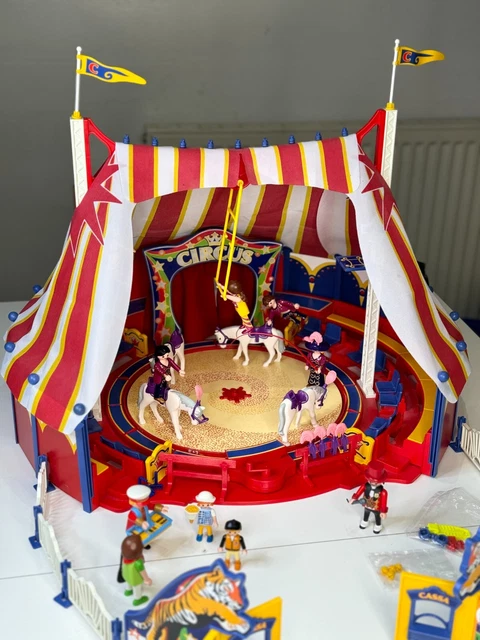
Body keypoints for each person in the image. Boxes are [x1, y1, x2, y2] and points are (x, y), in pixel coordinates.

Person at [348, 464, 388, 534]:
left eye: (376, 481)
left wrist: (383, 511)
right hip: (366, 504)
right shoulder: (365, 486)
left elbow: (384, 503)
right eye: (371, 480)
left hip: (376, 508)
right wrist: (354, 498)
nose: (373, 483)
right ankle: (365, 521)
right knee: (366, 513)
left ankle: (378, 525)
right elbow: (358, 492)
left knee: (377, 516)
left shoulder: (383, 492)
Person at [120, 534, 152, 606]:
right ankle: (137, 599)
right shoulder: (138, 563)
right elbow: (143, 572)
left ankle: (128, 590)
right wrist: (147, 580)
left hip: (126, 575)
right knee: (137, 588)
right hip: (135, 579)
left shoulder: (125, 558)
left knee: (128, 582)